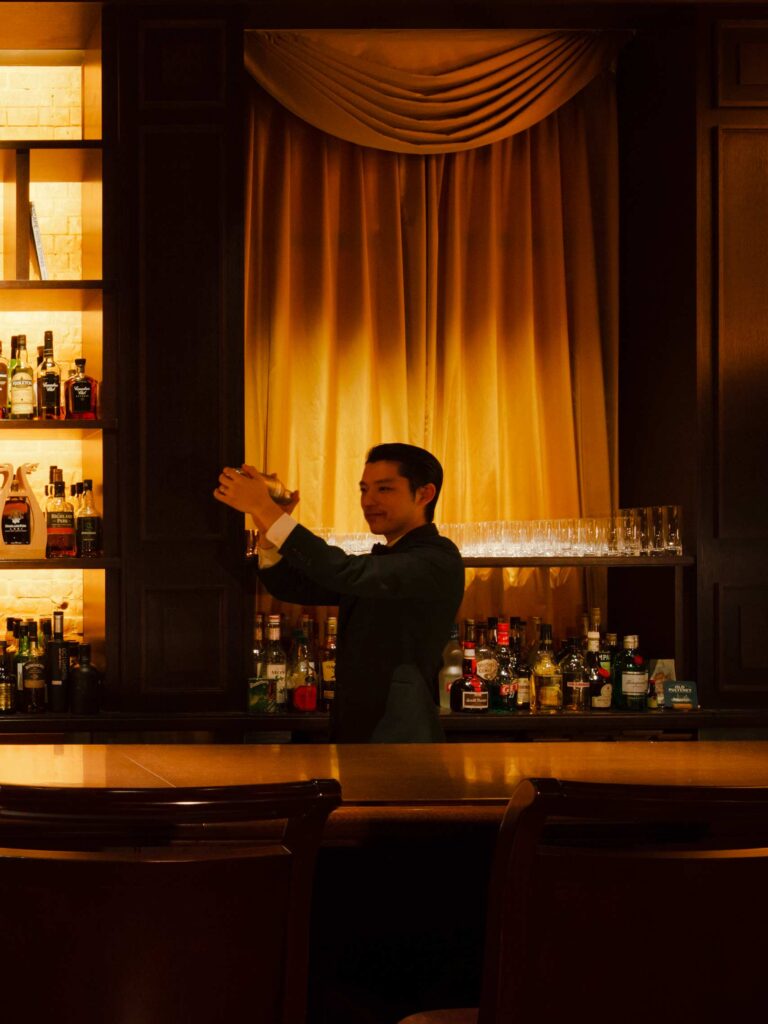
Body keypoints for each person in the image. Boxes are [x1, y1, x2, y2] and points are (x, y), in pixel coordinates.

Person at [214, 443, 465, 742]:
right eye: (363, 489)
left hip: (400, 728)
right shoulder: (385, 559)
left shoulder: (437, 558)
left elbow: (343, 572)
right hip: (357, 724)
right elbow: (291, 586)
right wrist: (268, 532)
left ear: (424, 494)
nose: (368, 501)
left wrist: (267, 510)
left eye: (383, 489)